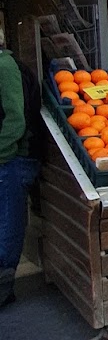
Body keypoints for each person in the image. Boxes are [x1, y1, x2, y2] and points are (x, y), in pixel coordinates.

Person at [0, 32, 42, 310]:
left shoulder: (4, 67)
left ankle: (4, 285)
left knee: (9, 222)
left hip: (13, 158)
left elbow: (15, 118)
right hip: (9, 157)